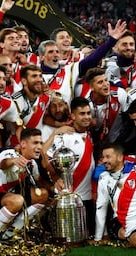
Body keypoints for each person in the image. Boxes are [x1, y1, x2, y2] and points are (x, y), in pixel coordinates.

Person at [0, 128, 49, 248]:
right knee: (17, 200)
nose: (39, 147)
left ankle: (12, 232)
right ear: (23, 144)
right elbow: (3, 164)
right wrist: (14, 161)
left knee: (43, 195)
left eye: (41, 143)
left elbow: (39, 182)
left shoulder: (32, 163)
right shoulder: (9, 154)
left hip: (6, 196)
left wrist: (56, 187)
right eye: (35, 143)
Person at [44, 97, 95, 235]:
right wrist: (55, 179)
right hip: (72, 196)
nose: (87, 117)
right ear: (73, 116)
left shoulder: (91, 134)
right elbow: (45, 158)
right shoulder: (65, 136)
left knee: (88, 234)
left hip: (88, 198)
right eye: (82, 114)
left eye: (88, 113)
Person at [85, 67, 131, 160]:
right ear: (92, 87)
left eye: (106, 80)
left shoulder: (119, 94)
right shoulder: (87, 105)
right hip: (98, 146)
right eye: (100, 82)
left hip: (121, 142)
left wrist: (120, 143)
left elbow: (129, 122)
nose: (106, 84)